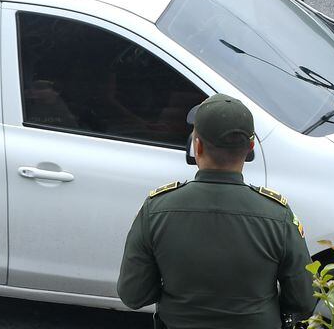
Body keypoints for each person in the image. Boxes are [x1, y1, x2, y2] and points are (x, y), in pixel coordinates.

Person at [117, 93, 315, 328]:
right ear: (250, 148)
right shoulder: (277, 215)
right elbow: (303, 302)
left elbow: (134, 295)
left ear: (197, 145)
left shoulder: (157, 209)